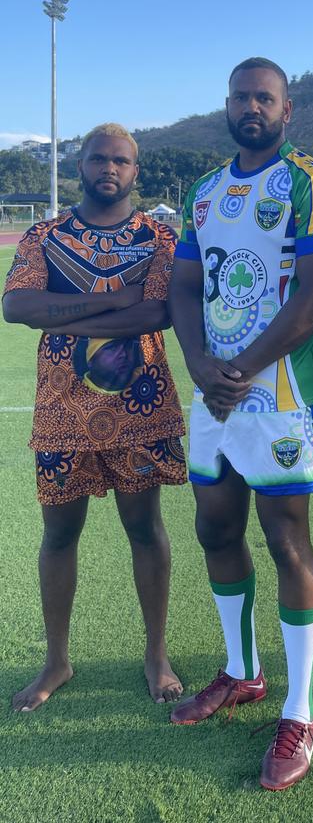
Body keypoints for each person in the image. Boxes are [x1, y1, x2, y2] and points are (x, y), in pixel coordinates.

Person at [168, 58, 313, 791]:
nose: (251, 107)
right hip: (211, 394)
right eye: (240, 96)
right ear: (228, 105)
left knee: (286, 542)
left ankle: (299, 710)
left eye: (263, 97)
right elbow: (184, 286)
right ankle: (242, 672)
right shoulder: (203, 191)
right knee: (215, 529)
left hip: (277, 395)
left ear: (286, 107)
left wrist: (237, 372)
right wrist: (201, 363)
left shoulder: (311, 183)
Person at [2, 123, 187, 711]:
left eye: (122, 161)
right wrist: (111, 298)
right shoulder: (44, 236)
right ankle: (56, 660)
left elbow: (156, 313)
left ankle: (156, 655)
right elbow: (16, 306)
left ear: (137, 171)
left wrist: (60, 317)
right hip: (62, 410)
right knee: (59, 535)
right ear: (79, 166)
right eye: (99, 158)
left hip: (138, 407)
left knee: (144, 529)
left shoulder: (159, 237)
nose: (110, 168)